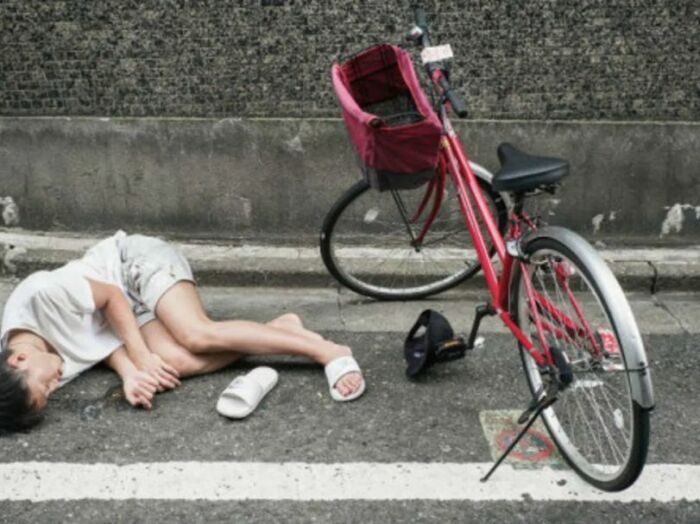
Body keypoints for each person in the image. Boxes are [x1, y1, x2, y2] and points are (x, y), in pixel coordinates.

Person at [0, 230, 365, 432]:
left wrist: (140, 357)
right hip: (124, 312)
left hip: (131, 266)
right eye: (50, 393)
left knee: (195, 335)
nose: (56, 386)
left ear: (18, 360)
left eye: (45, 386)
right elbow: (97, 344)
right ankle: (278, 331)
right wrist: (131, 374)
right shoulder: (37, 361)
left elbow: (110, 297)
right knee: (175, 363)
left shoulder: (39, 295)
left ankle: (327, 352)